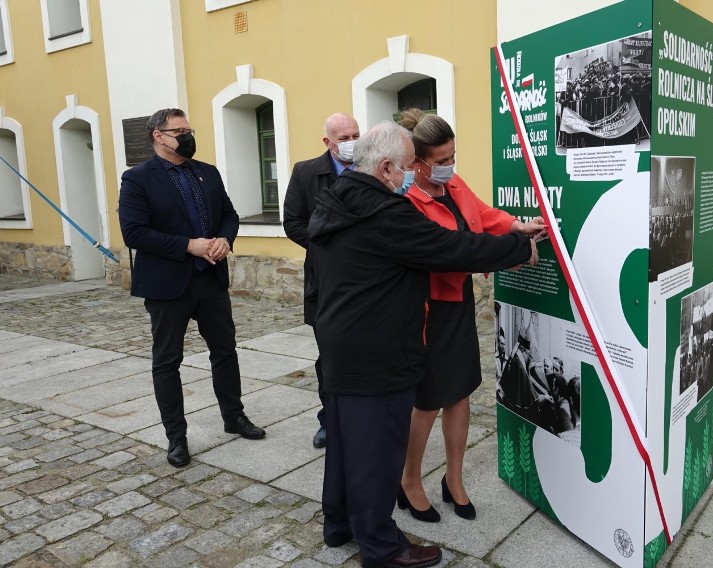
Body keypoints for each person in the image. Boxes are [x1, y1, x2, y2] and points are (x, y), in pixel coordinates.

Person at [309, 121, 536, 567]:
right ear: (388, 167)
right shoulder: (386, 212)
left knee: (344, 442)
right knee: (377, 449)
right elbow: (450, 249)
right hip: (378, 349)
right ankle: (382, 545)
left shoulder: (337, 198)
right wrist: (515, 249)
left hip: (339, 340)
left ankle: (339, 525)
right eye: (408, 165)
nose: (412, 173)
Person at [397, 109, 546, 522]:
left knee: (459, 392)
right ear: (416, 164)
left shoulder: (453, 182)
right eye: (441, 161)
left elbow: (481, 214)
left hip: (457, 301)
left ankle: (454, 480)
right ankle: (409, 480)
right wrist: (511, 252)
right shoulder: (406, 201)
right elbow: (452, 251)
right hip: (426, 310)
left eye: (452, 157)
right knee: (427, 401)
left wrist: (517, 226)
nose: (450, 167)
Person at [118, 108, 266, 469]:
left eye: (189, 129)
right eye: (179, 130)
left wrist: (224, 240)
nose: (187, 135)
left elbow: (229, 214)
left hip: (211, 279)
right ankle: (176, 436)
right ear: (159, 135)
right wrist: (188, 245)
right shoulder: (138, 178)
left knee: (225, 352)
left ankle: (234, 416)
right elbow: (134, 233)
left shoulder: (207, 173)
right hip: (168, 286)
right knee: (168, 362)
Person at [283, 112, 360, 449]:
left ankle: (361, 416)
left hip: (367, 280)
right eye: (344, 137)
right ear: (328, 143)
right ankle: (329, 420)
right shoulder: (306, 172)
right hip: (325, 280)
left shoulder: (374, 167)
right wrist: (330, 246)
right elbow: (293, 222)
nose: (351, 142)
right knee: (329, 355)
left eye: (356, 134)